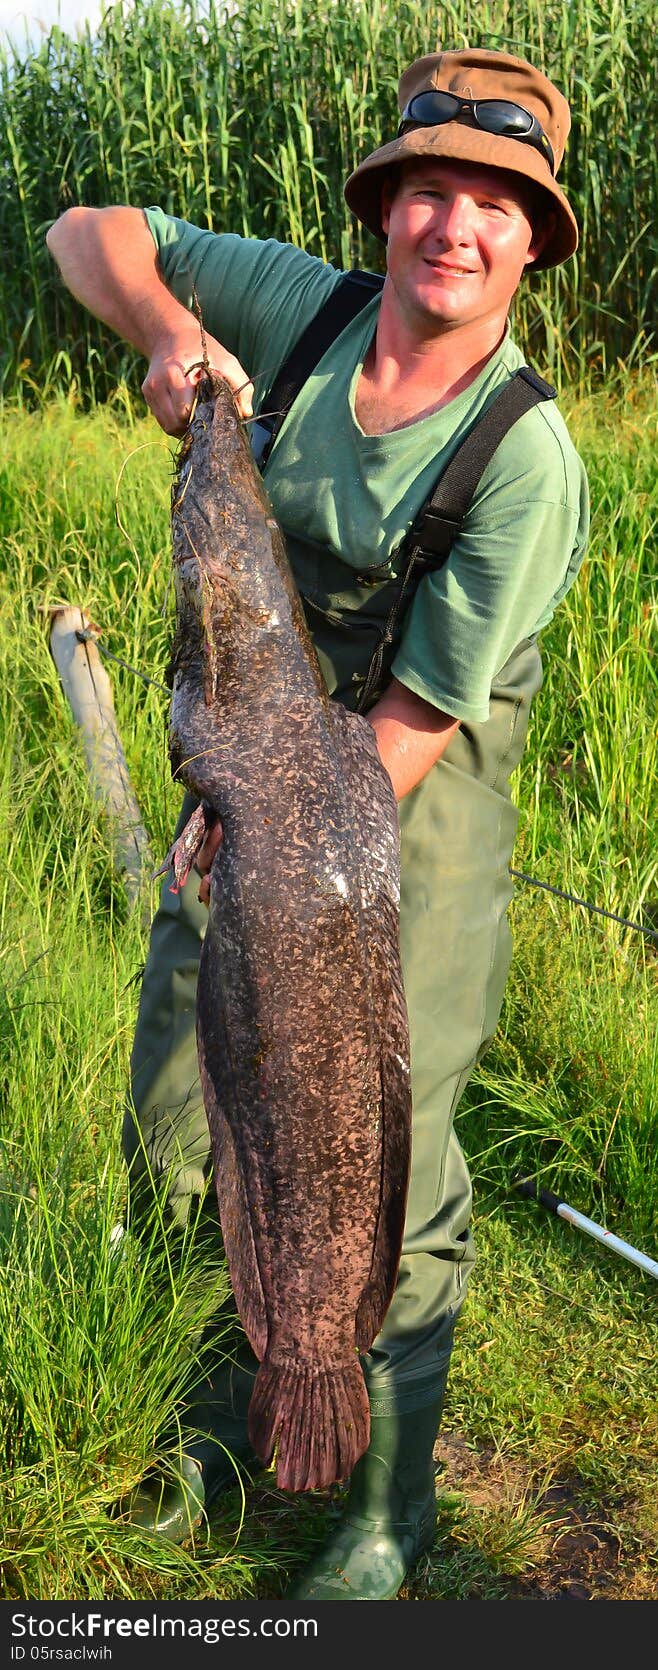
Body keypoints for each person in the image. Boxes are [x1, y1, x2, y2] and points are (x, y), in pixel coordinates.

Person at [46, 46, 589, 1601]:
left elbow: (409, 731)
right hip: (261, 765)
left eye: (496, 204)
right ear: (386, 204)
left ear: (532, 241)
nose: (454, 228)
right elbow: (90, 229)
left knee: (369, 1145)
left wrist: (262, 825)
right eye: (430, 188)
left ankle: (383, 1509)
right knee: (181, 1098)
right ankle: (220, 1421)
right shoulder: (308, 309)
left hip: (403, 797)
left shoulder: (522, 455)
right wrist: (168, 336)